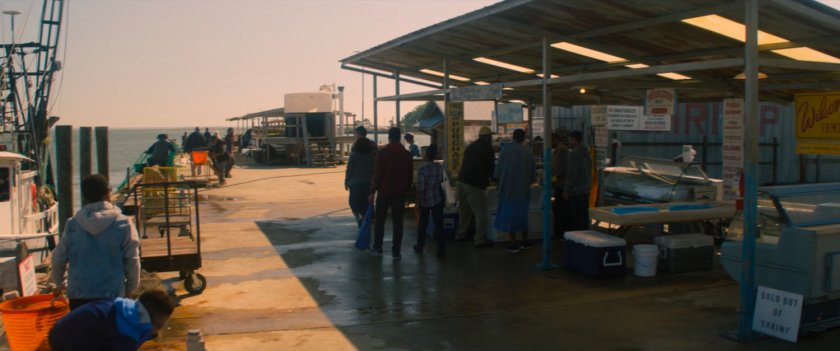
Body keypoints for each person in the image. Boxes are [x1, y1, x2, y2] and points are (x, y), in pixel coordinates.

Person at [50, 174, 140, 310]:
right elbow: (132, 259)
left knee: (85, 331)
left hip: (79, 295)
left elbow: (58, 258)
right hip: (112, 294)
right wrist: (130, 289)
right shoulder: (123, 223)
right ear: (108, 194)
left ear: (85, 196)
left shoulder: (73, 224)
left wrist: (60, 283)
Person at [48, 289, 175, 351]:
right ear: (150, 320)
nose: (157, 331)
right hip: (71, 340)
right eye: (158, 325)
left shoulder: (126, 308)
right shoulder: (131, 328)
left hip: (61, 330)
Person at [369, 127, 413, 260]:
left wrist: (372, 191)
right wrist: (405, 190)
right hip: (399, 194)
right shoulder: (406, 154)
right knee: (398, 223)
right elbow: (409, 176)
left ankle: (378, 247)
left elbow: (377, 174)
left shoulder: (383, 153)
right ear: (399, 137)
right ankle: (396, 252)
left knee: (380, 221)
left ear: (389, 137)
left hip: (384, 192)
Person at [493, 129, 535, 253]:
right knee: (523, 217)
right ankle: (525, 241)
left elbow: (498, 171)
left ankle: (513, 243)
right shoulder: (528, 152)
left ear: (513, 137)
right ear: (524, 138)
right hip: (523, 191)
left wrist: (496, 181)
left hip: (508, 191)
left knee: (510, 217)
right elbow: (533, 175)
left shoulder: (506, 150)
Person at [454, 126, 495, 248]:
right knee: (480, 211)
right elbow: (491, 167)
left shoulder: (471, 147)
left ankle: (461, 235)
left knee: (464, 210)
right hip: (474, 184)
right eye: (490, 136)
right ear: (487, 137)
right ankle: (479, 240)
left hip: (461, 181)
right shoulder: (488, 148)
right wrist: (494, 179)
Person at [414, 144, 446, 258]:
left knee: (423, 224)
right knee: (439, 225)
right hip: (437, 198)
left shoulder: (422, 169)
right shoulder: (439, 167)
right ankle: (440, 249)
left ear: (426, 155)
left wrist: (417, 203)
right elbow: (441, 181)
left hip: (425, 200)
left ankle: (419, 246)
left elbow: (420, 188)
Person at [345, 125, 376, 228]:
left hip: (355, 182)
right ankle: (368, 217)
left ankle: (359, 216)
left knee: (353, 202)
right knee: (368, 201)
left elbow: (350, 168)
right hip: (369, 182)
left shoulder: (355, 148)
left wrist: (346, 181)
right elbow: (375, 166)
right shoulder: (373, 146)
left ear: (358, 133)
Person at [564, 131, 592, 231]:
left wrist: (567, 190)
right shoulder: (587, 153)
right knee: (584, 217)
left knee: (576, 220)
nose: (568, 142)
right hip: (586, 190)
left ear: (574, 140)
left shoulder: (574, 154)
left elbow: (572, 174)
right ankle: (586, 239)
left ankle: (578, 241)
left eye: (570, 140)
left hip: (576, 191)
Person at [551, 128, 571, 239]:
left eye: (551, 140)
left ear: (556, 139)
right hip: (558, 184)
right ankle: (559, 231)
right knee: (558, 210)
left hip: (562, 185)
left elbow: (563, 169)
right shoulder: (556, 150)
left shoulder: (562, 150)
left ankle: (561, 232)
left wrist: (553, 179)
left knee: (561, 211)